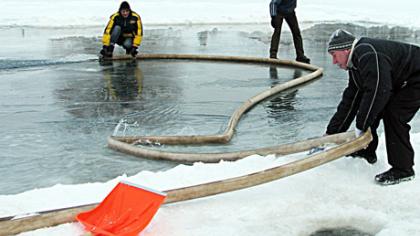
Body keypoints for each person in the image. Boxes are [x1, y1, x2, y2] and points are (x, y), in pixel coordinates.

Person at [325, 29, 420, 185]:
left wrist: (361, 126)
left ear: (346, 50)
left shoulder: (366, 54)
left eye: (334, 55)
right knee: (373, 107)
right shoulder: (356, 63)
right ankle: (366, 152)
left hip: (416, 77)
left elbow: (379, 90)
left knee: (394, 114)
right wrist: (331, 134)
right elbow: (351, 100)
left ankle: (403, 170)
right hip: (402, 80)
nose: (334, 62)